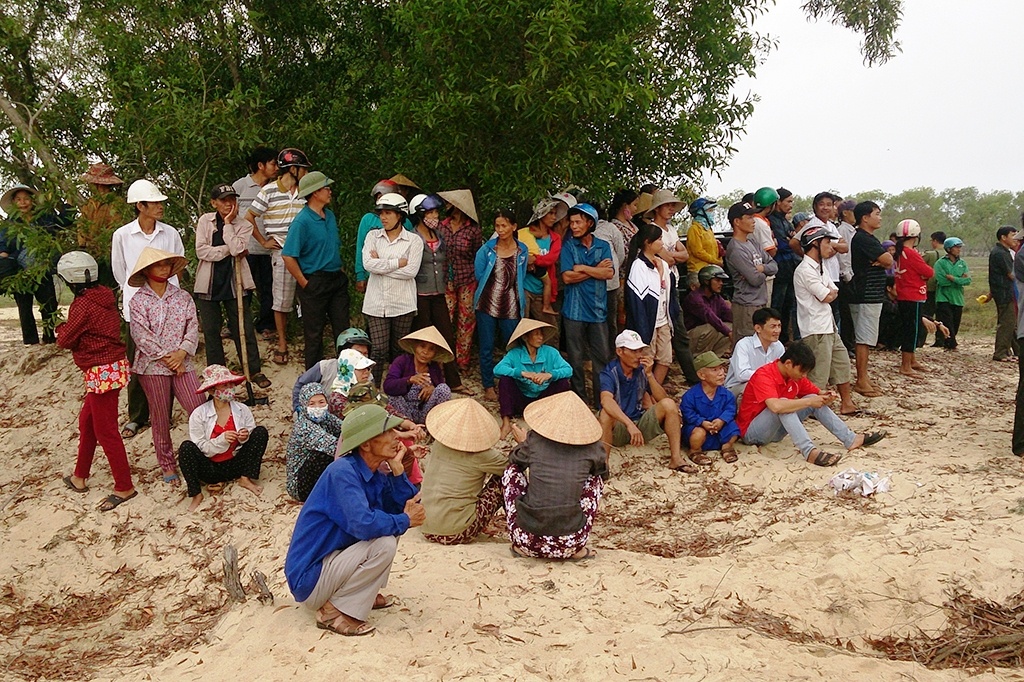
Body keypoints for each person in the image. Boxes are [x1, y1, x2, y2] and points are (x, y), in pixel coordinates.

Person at [284, 404, 424, 636]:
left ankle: (360, 594)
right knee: (385, 540)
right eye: (387, 431)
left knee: (391, 528)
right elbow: (364, 524)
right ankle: (332, 611)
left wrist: (399, 472)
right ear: (366, 444)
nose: (395, 437)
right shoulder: (342, 472)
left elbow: (397, 508)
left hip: (329, 565)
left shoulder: (373, 472)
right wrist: (405, 519)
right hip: (309, 578)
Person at [55, 251, 137, 512]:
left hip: (100, 370)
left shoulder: (82, 304)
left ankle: (124, 486)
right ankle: (80, 476)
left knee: (106, 431)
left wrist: (60, 329)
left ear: (70, 279)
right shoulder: (105, 295)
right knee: (87, 422)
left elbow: (65, 340)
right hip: (112, 366)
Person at [111, 178, 185, 439]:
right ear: (140, 206)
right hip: (138, 309)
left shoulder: (171, 233)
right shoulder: (122, 236)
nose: (159, 206)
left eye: (159, 202)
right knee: (139, 363)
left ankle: (163, 415)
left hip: (169, 309)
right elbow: (121, 273)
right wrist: (139, 298)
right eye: (153, 202)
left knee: (171, 362)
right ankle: (137, 416)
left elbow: (175, 268)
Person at [738, 342, 886, 467]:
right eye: (802, 371)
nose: (804, 376)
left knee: (810, 398)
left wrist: (826, 397)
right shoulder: (764, 375)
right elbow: (775, 407)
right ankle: (809, 451)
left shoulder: (794, 376)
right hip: (752, 433)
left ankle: (850, 439)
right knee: (786, 403)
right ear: (788, 364)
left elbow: (816, 393)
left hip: (775, 432)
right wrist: (809, 401)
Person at [127, 247, 205, 484]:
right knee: (160, 416)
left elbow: (192, 327)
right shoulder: (138, 300)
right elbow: (141, 335)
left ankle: (204, 458)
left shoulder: (182, 297)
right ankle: (167, 464)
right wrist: (167, 358)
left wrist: (181, 354)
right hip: (152, 366)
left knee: (198, 409)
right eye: (158, 264)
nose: (164, 268)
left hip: (183, 363)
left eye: (167, 264)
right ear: (147, 270)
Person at [505, 391, 606, 561]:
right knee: (595, 480)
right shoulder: (592, 447)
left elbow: (516, 461)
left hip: (527, 540)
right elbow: (603, 472)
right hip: (570, 542)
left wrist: (523, 444)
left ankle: (520, 547)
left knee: (511, 471)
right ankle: (578, 551)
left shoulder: (535, 440)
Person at [193, 183, 270, 388]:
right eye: (224, 200)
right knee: (211, 330)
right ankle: (217, 372)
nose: (229, 204)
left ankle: (253, 370)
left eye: (232, 200)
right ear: (214, 203)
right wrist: (227, 250)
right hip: (209, 282)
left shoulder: (243, 224)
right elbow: (201, 251)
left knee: (242, 327)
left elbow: (238, 249)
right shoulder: (204, 221)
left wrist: (227, 225)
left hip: (236, 282)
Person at [245, 147, 311, 366]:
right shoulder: (269, 191)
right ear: (293, 168)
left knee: (309, 298)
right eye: (302, 168)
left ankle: (308, 342)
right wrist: (264, 241)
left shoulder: (305, 191)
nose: (305, 172)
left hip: (306, 252)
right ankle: (282, 343)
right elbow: (249, 217)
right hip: (282, 251)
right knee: (280, 300)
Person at [282, 171, 351, 370]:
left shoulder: (329, 216)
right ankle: (312, 381)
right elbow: (288, 255)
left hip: (336, 279)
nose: (330, 191)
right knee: (314, 334)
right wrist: (305, 283)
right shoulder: (302, 221)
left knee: (344, 331)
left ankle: (347, 375)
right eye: (325, 188)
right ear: (314, 193)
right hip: (315, 281)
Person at [178, 365, 268, 512]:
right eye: (225, 385)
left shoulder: (242, 409)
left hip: (236, 463)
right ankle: (196, 494)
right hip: (210, 467)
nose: (230, 388)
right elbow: (200, 446)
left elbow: (250, 436)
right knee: (186, 448)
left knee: (260, 432)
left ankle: (245, 478)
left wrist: (244, 437)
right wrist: (221, 440)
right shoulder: (199, 414)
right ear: (212, 390)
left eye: (231, 384)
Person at [419, 399, 509, 545]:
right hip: (456, 532)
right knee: (507, 479)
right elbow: (511, 467)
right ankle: (520, 527)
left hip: (425, 525)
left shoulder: (440, 443)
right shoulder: (481, 455)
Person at [598, 330, 687, 471]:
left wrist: (650, 375)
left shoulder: (642, 370)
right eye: (634, 351)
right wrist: (628, 424)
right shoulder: (609, 372)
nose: (639, 355)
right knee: (605, 413)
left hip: (639, 423)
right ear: (620, 352)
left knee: (669, 404)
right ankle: (603, 465)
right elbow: (606, 401)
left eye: (640, 350)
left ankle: (676, 458)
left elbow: (663, 399)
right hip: (620, 426)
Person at [792, 225, 859, 415]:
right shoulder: (804, 270)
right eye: (827, 242)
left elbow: (832, 291)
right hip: (815, 328)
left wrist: (830, 293)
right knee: (818, 372)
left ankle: (846, 403)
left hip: (828, 326)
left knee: (842, 363)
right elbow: (826, 296)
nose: (831, 246)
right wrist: (830, 293)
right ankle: (813, 410)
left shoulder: (820, 268)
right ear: (815, 243)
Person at [362, 192, 423, 383]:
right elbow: (367, 264)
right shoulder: (372, 236)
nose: (383, 217)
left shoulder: (414, 240)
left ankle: (397, 388)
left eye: (388, 213)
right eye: (381, 213)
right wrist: (397, 262)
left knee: (400, 349)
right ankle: (374, 389)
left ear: (400, 215)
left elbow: (411, 271)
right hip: (375, 303)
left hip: (402, 302)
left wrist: (380, 264)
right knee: (378, 349)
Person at [409, 193, 465, 392]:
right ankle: (423, 380)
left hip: (439, 293)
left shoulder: (439, 236)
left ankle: (453, 381)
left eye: (435, 212)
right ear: (419, 214)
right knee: (423, 339)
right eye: (430, 212)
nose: (435, 216)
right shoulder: (413, 237)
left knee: (447, 336)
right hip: (420, 294)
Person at [561, 202, 614, 407]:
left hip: (598, 311)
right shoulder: (568, 246)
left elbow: (609, 273)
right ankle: (580, 401)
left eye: (577, 222)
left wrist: (582, 268)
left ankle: (602, 402)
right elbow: (566, 278)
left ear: (589, 223)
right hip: (573, 312)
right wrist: (595, 270)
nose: (573, 226)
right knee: (575, 359)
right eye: (571, 222)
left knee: (602, 359)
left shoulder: (603, 245)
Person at [646, 189, 699, 385]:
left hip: (672, 284)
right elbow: (670, 257)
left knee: (676, 331)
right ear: (658, 208)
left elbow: (683, 255)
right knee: (668, 333)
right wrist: (673, 257)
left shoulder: (671, 230)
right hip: (659, 287)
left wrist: (672, 257)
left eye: (672, 206)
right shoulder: (653, 231)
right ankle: (689, 378)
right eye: (668, 206)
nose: (671, 210)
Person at [475, 209, 529, 401]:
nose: (500, 229)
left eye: (504, 225)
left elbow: (520, 277)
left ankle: (512, 383)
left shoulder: (522, 250)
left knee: (513, 346)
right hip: (487, 304)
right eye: (497, 226)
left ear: (514, 227)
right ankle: (488, 385)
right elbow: (479, 274)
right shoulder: (488, 249)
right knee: (487, 346)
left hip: (512, 305)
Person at [0, 184, 62, 345]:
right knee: (24, 307)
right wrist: (4, 259)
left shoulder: (44, 219)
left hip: (43, 269)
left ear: (33, 201)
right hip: (20, 272)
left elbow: (62, 222)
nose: (23, 203)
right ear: (14, 203)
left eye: (26, 199)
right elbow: (3, 245)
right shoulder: (9, 224)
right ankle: (30, 341)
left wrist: (68, 205)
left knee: (49, 303)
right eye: (19, 199)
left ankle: (49, 338)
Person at [494, 318, 572, 438]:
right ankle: (506, 423)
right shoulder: (515, 353)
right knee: (505, 380)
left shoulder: (551, 352)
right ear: (525, 337)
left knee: (563, 382)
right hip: (522, 399)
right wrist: (522, 373)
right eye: (536, 334)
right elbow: (497, 369)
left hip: (543, 400)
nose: (540, 337)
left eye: (541, 334)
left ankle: (553, 419)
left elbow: (568, 370)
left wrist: (549, 375)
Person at [233, 146, 279, 340]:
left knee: (268, 288)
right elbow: (233, 214)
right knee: (242, 290)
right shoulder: (240, 186)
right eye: (273, 163)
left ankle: (267, 325)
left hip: (269, 251)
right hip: (246, 249)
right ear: (261, 165)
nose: (276, 167)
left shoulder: (276, 187)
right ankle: (237, 325)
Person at [625, 222, 678, 386]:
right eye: (659, 239)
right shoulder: (638, 266)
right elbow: (636, 302)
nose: (662, 243)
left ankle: (652, 390)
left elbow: (669, 288)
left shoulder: (661, 263)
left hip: (663, 320)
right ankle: (643, 394)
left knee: (665, 359)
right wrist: (642, 329)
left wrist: (661, 271)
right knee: (647, 359)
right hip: (647, 323)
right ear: (648, 242)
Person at [849, 201, 892, 396]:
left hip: (872, 295)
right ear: (865, 217)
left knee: (867, 338)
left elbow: (886, 260)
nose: (880, 217)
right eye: (877, 213)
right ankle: (861, 380)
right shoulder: (862, 238)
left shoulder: (870, 239)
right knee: (863, 339)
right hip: (865, 294)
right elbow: (888, 260)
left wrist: (882, 260)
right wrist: (881, 260)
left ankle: (864, 377)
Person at [437, 189, 483, 371]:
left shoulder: (473, 230)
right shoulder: (442, 226)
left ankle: (462, 362)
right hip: (446, 280)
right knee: (444, 320)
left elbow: (476, 256)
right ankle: (443, 359)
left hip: (467, 280)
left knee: (466, 322)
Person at [725, 200, 778, 346]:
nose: (753, 221)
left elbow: (774, 266)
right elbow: (754, 279)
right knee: (746, 347)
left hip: (760, 302)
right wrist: (760, 271)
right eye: (748, 218)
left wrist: (762, 269)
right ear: (737, 222)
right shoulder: (736, 249)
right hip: (745, 306)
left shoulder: (753, 243)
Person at [286, 382, 344, 502]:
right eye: (311, 404)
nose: (317, 407)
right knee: (324, 455)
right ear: (303, 405)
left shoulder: (326, 417)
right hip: (300, 484)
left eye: (321, 402)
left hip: (315, 474)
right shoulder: (303, 426)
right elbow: (334, 447)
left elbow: (344, 428)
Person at [383, 326, 453, 423]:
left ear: (434, 353)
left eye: (431, 349)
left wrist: (432, 388)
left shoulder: (434, 367)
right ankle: (409, 425)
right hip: (403, 411)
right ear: (415, 346)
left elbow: (440, 386)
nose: (425, 352)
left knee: (444, 389)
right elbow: (387, 386)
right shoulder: (402, 361)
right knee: (393, 396)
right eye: (422, 346)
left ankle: (432, 424)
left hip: (425, 412)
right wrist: (409, 379)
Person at [680, 351, 740, 464]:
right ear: (702, 375)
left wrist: (721, 420)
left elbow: (730, 409)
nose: (721, 373)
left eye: (721, 368)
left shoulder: (727, 394)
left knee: (733, 428)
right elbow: (688, 414)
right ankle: (695, 451)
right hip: (700, 429)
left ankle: (727, 447)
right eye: (714, 370)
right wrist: (702, 422)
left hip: (719, 430)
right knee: (698, 433)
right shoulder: (690, 396)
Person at [291, 328, 371, 413]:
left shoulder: (368, 375)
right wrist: (298, 408)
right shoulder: (325, 367)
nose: (362, 357)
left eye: (365, 353)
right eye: (357, 353)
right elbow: (301, 384)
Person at [893, 219, 934, 375]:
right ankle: (906, 365)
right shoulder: (911, 253)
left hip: (904, 294)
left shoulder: (899, 252)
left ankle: (912, 360)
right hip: (914, 295)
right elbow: (929, 272)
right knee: (912, 330)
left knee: (909, 328)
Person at [77, 162, 127, 288]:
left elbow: (115, 229)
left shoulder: (116, 204)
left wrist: (98, 244)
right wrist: (84, 244)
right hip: (90, 253)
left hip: (108, 255)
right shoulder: (89, 204)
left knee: (107, 289)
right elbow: (82, 225)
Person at [520, 197, 564, 329]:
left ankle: (552, 351)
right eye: (550, 213)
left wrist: (534, 259)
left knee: (551, 329)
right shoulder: (525, 234)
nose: (553, 217)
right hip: (524, 287)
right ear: (541, 214)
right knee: (521, 326)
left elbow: (551, 259)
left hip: (542, 291)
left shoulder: (555, 238)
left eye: (555, 214)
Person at [725, 307, 785, 398]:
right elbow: (742, 375)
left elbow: (782, 371)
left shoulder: (778, 346)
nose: (777, 331)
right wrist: (768, 375)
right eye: (773, 326)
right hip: (736, 388)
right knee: (757, 387)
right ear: (758, 328)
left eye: (779, 326)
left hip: (767, 385)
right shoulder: (743, 345)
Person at [354, 179, 401, 293]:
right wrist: (360, 276)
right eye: (378, 197)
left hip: (397, 276)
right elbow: (360, 246)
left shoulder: (404, 222)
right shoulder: (368, 219)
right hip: (372, 275)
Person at [769, 189, 799, 343]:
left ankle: (784, 339)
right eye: (788, 201)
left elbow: (794, 240)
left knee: (788, 305)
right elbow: (783, 244)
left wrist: (792, 240)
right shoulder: (772, 220)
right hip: (779, 268)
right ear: (778, 202)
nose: (791, 205)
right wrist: (791, 240)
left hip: (790, 269)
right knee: (777, 306)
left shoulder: (785, 221)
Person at [684, 265, 733, 357]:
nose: (721, 283)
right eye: (717, 280)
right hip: (689, 338)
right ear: (706, 281)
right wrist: (728, 332)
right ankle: (698, 358)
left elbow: (728, 315)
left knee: (732, 327)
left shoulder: (717, 297)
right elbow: (710, 317)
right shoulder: (694, 298)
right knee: (712, 327)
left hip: (705, 335)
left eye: (721, 281)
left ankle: (713, 357)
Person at [594, 208, 626, 346]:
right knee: (599, 319)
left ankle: (611, 350)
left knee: (610, 318)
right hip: (592, 284)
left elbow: (620, 254)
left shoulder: (610, 228)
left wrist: (612, 268)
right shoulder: (581, 230)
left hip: (610, 283)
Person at [934, 237, 971, 350]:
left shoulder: (962, 263)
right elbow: (941, 280)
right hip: (943, 298)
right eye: (957, 247)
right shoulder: (940, 263)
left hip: (958, 298)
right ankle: (951, 344)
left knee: (955, 323)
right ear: (949, 249)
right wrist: (959, 279)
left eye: (960, 247)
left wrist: (953, 279)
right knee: (947, 321)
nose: (959, 249)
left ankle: (950, 341)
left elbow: (967, 280)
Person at [989, 225, 1019, 362]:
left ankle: (1010, 351)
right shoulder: (1000, 253)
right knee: (1007, 323)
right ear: (1003, 237)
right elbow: (1012, 274)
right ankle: (1000, 353)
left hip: (1006, 292)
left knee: (1011, 323)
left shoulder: (1004, 252)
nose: (1016, 238)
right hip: (1005, 293)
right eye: (1013, 235)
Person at [751, 187, 780, 301]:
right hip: (763, 271)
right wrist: (775, 246)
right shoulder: (761, 224)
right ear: (770, 206)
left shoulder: (752, 220)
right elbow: (770, 250)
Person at [685, 197, 722, 274]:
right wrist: (716, 262)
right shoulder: (694, 229)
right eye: (709, 211)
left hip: (711, 270)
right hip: (698, 272)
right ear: (700, 213)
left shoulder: (708, 229)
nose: (712, 213)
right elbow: (698, 252)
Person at [923, 231, 946, 347]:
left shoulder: (930, 254)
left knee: (926, 314)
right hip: (944, 290)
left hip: (930, 288)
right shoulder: (948, 253)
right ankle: (941, 339)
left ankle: (920, 340)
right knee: (941, 315)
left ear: (935, 241)